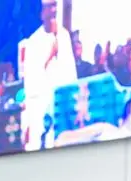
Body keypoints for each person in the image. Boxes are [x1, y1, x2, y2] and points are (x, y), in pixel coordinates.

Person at [22, 0, 77, 151]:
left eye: (55, 5)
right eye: (49, 7)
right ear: (41, 13)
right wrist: (49, 56)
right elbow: (32, 82)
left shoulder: (64, 35)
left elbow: (71, 73)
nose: (53, 10)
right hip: (41, 108)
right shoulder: (33, 42)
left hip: (64, 105)